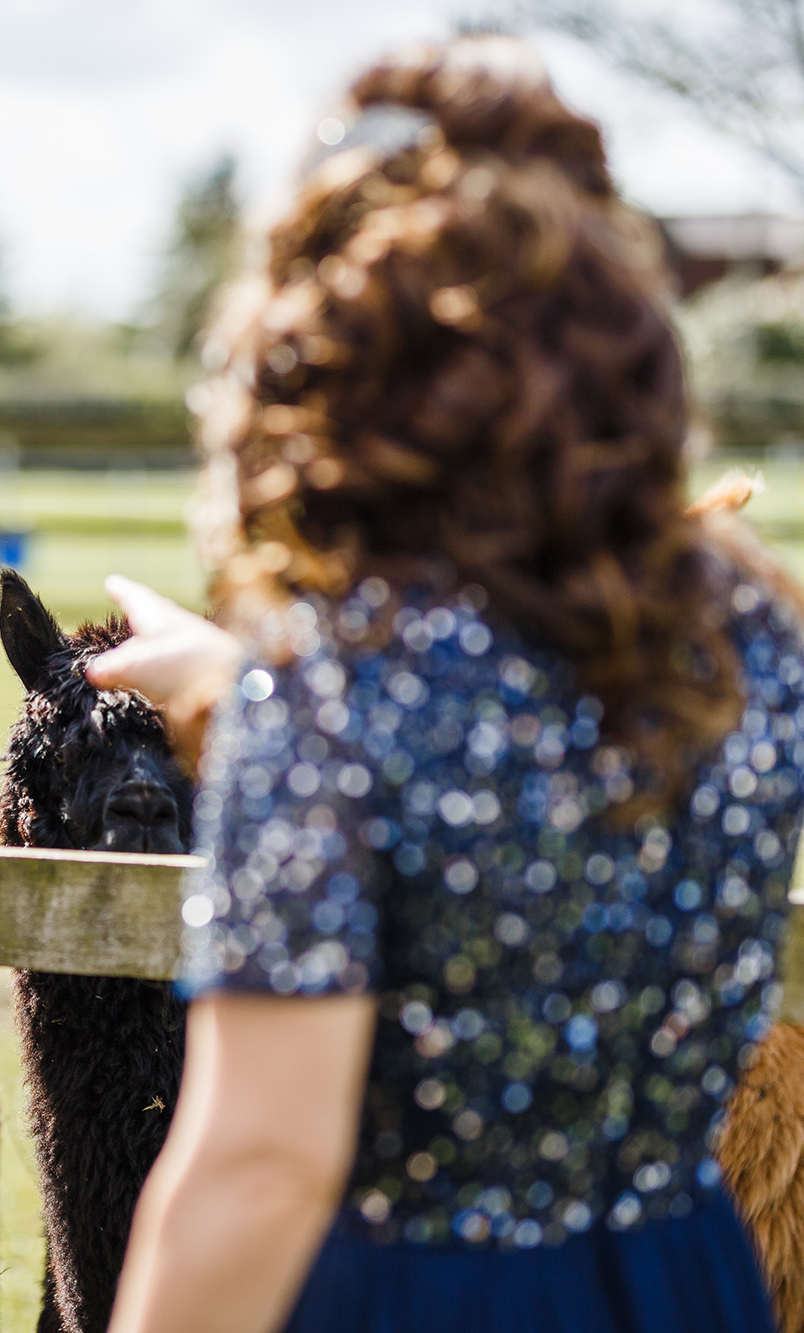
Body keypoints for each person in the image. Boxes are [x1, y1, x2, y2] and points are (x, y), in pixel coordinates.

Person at [91, 38, 798, 1333]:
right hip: (682, 1274)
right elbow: (531, 728)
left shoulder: (332, 702)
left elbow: (261, 1164)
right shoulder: (746, 635)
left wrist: (271, 708)